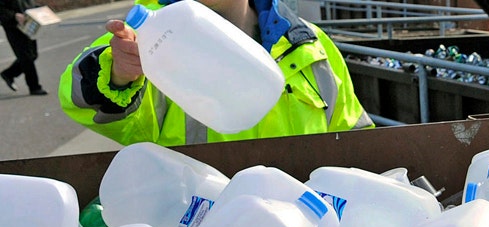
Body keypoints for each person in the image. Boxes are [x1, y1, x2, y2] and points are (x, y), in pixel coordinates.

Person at [59, 0, 372, 146]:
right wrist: (118, 74)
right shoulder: (142, 42)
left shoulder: (310, 42)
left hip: (306, 220)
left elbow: (353, 129)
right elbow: (78, 94)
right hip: (199, 225)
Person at [0, 0, 46, 95]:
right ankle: (34, 87)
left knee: (33, 55)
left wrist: (38, 9)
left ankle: (9, 74)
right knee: (26, 57)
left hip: (28, 22)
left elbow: (27, 3)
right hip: (13, 26)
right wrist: (14, 16)